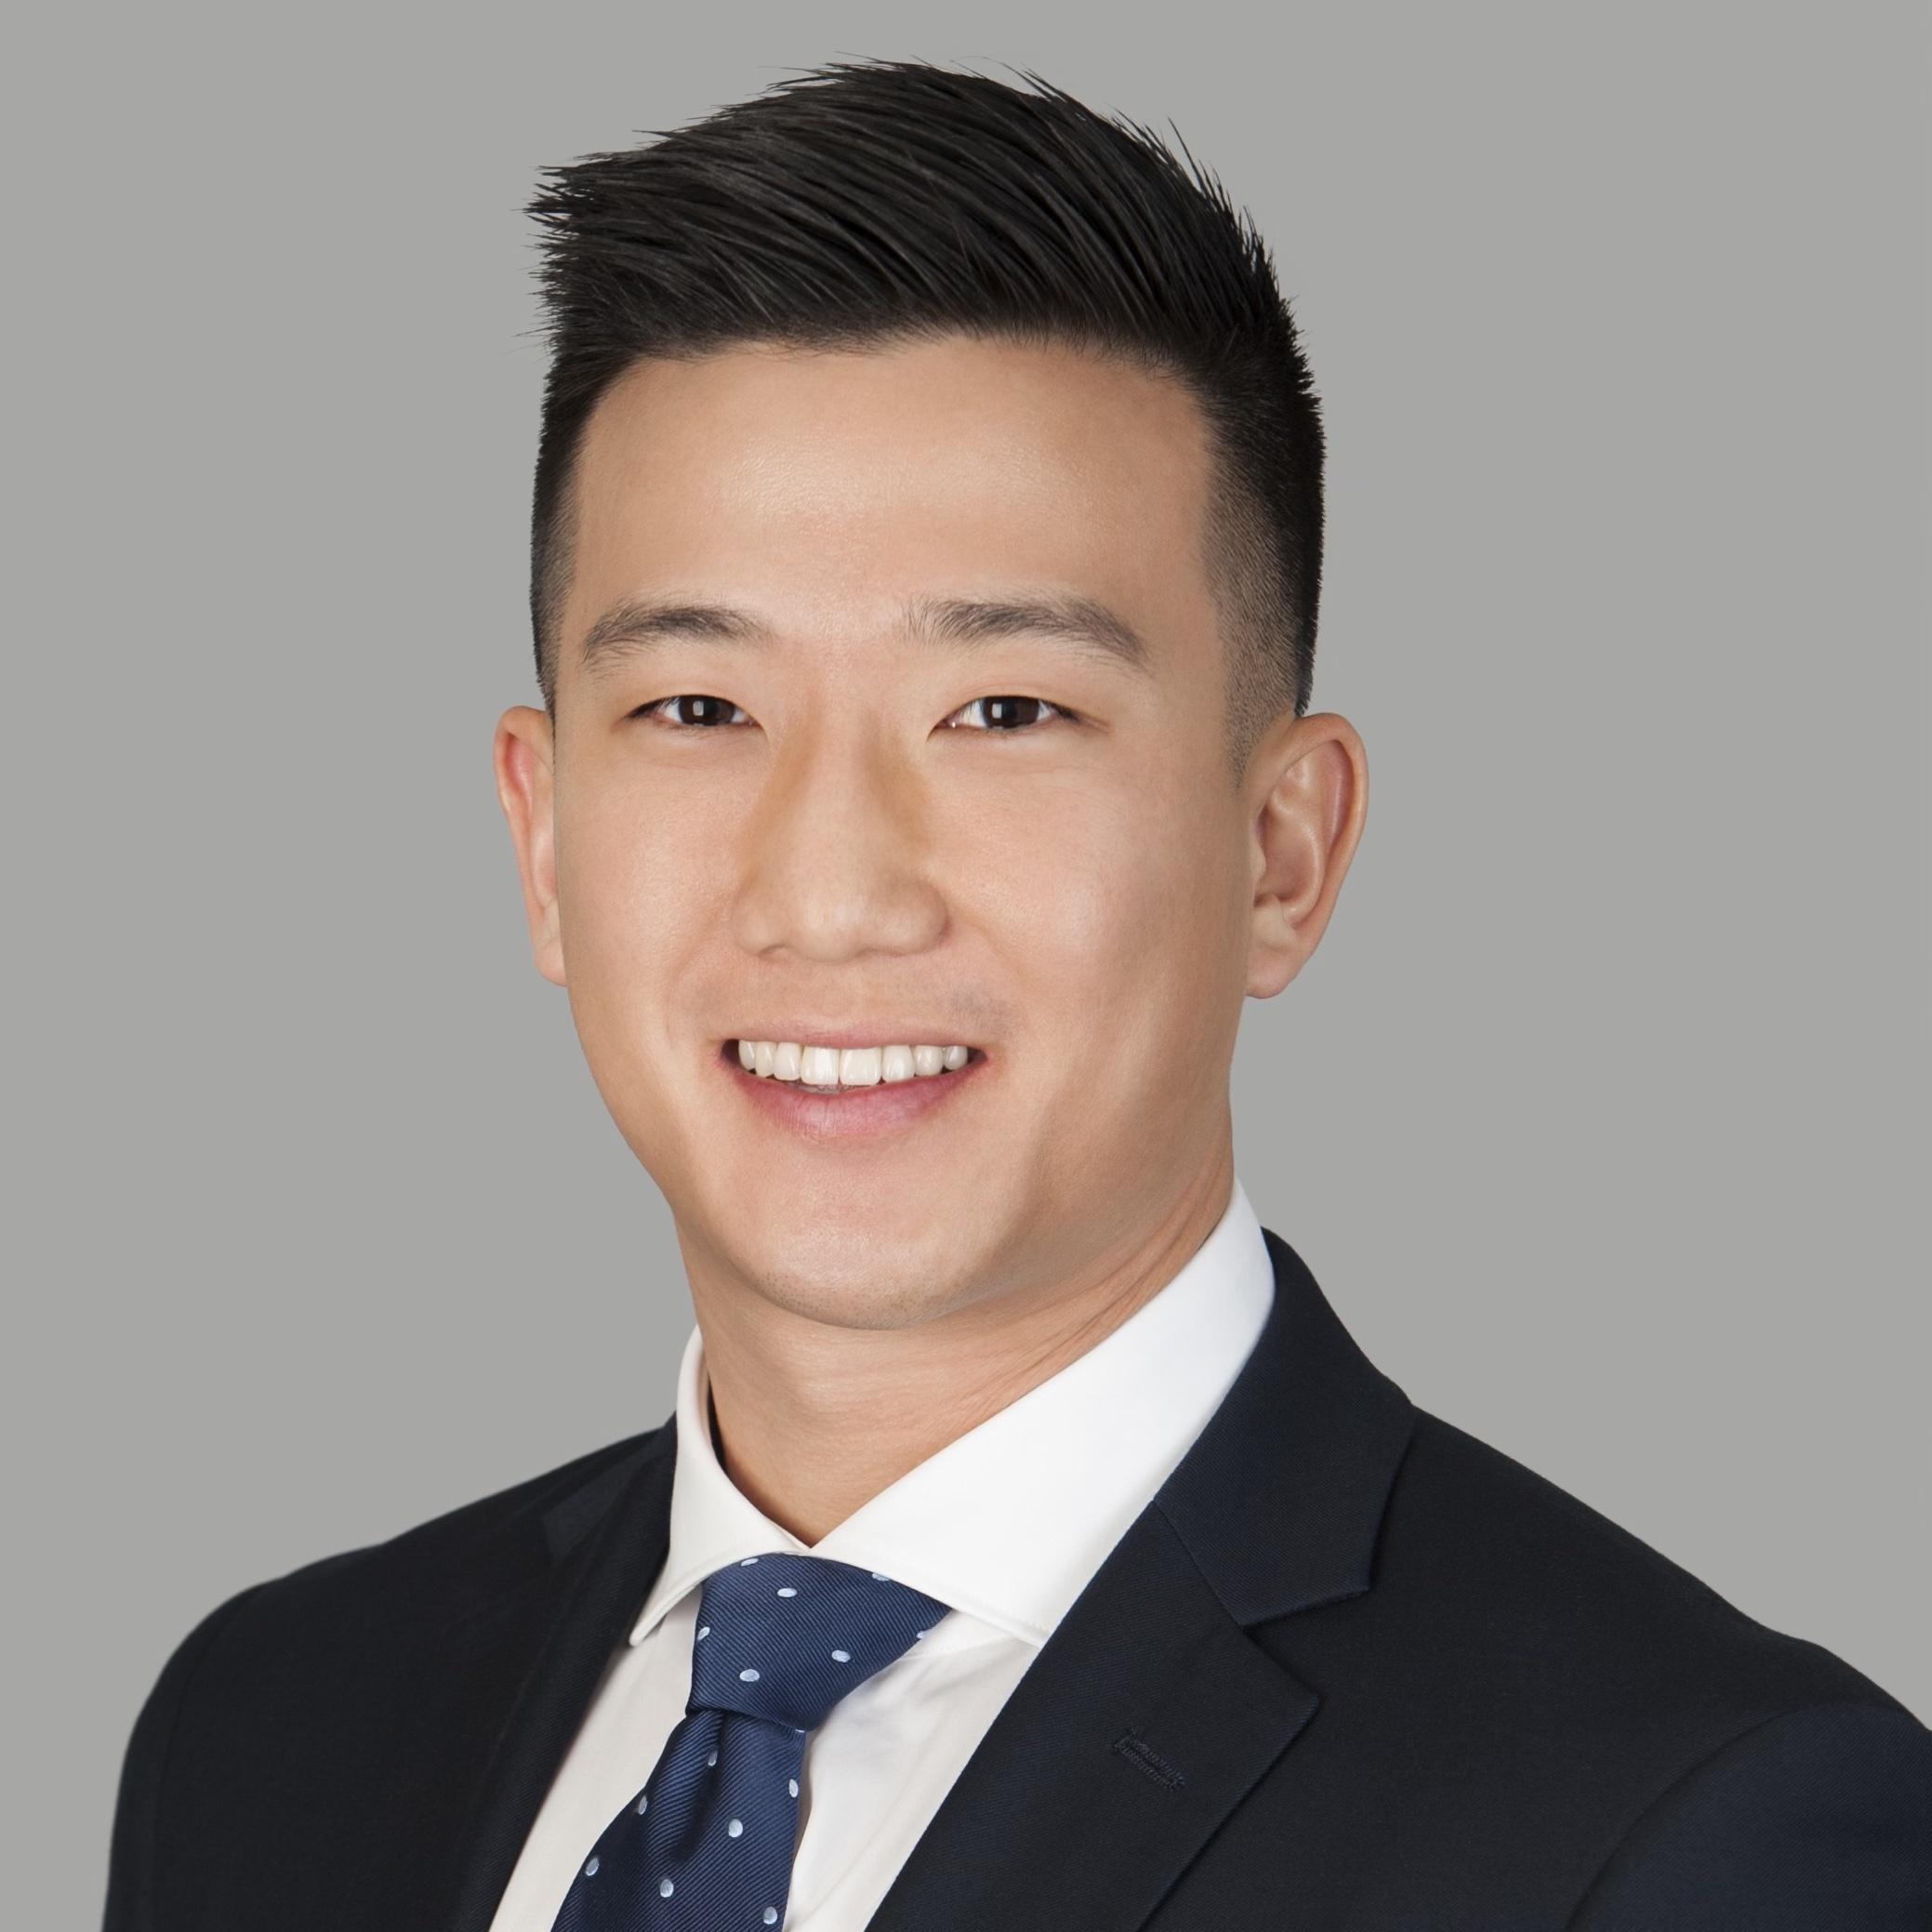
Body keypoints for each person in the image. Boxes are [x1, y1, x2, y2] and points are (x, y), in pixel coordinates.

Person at [101, 55, 1930, 1932]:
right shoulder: (273, 1729)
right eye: (698, 707)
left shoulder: (1694, 1828)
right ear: (545, 834)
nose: (830, 893)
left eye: (1004, 710)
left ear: (1279, 851)